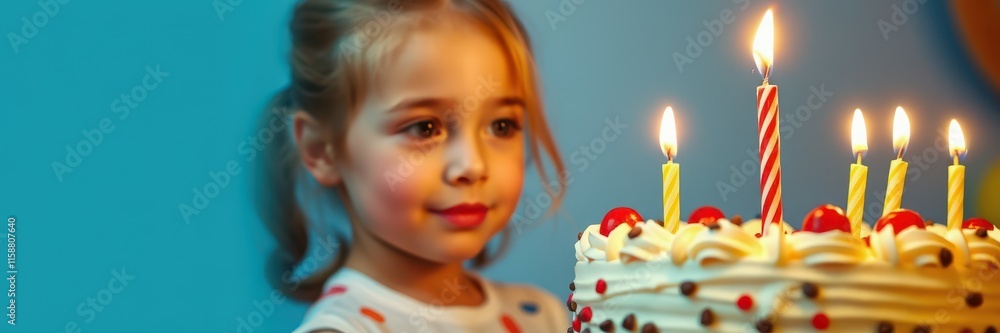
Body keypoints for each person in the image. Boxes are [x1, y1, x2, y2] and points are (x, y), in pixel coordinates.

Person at [256, 0, 570, 331]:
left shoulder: (542, 315)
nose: (473, 166)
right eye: (425, 128)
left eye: (501, 126)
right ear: (321, 151)